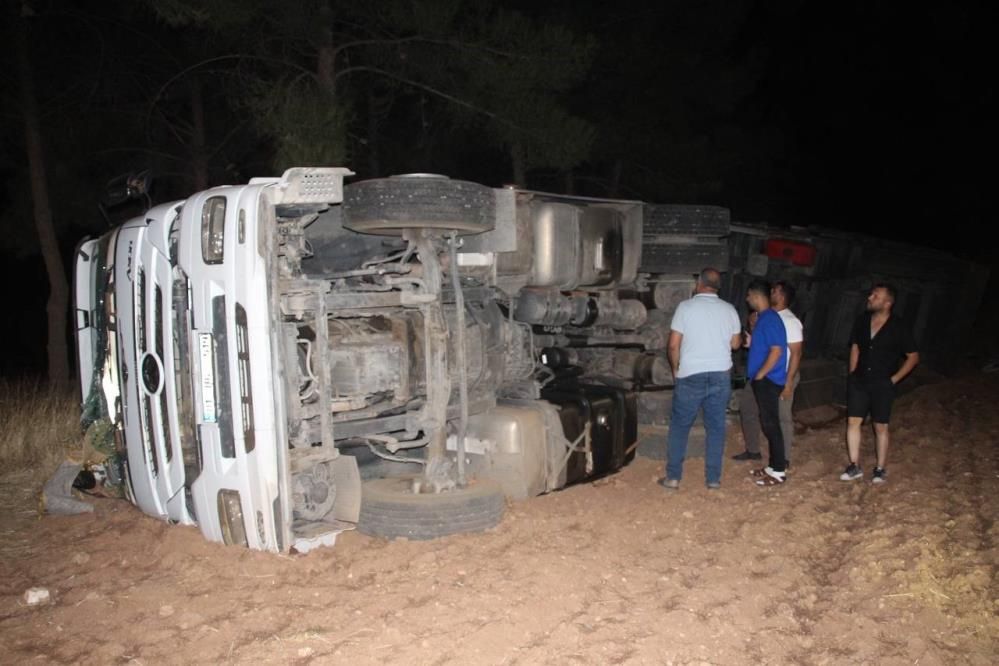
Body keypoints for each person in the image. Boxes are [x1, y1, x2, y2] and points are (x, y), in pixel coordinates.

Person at [660, 268, 741, 490]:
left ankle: (673, 477)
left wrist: (676, 369)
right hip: (720, 375)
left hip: (691, 374)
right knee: (716, 428)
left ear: (699, 283)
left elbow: (673, 344)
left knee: (680, 427)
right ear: (717, 286)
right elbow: (735, 344)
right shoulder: (730, 309)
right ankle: (713, 479)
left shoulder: (685, 308)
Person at [840, 283, 919, 484]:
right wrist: (852, 373)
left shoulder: (899, 326)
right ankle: (854, 465)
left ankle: (880, 468)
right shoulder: (862, 321)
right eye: (871, 294)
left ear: (888, 302)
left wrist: (893, 379)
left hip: (882, 383)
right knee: (853, 422)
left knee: (880, 426)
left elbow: (913, 356)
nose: (870, 298)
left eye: (876, 296)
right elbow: (855, 347)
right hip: (859, 380)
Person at [733, 281, 803, 466]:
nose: (770, 292)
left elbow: (795, 353)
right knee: (748, 408)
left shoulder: (790, 321)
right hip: (760, 374)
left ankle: (783, 459)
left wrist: (788, 382)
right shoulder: (764, 316)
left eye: (773, 291)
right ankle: (753, 450)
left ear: (781, 295)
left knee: (781, 417)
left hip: (778, 375)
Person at [744, 280, 788, 486]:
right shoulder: (764, 318)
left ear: (756, 295)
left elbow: (777, 350)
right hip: (765, 380)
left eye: (749, 295)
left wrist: (761, 374)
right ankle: (773, 465)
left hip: (769, 380)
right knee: (768, 423)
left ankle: (779, 471)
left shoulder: (770, 318)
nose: (747, 299)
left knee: (772, 425)